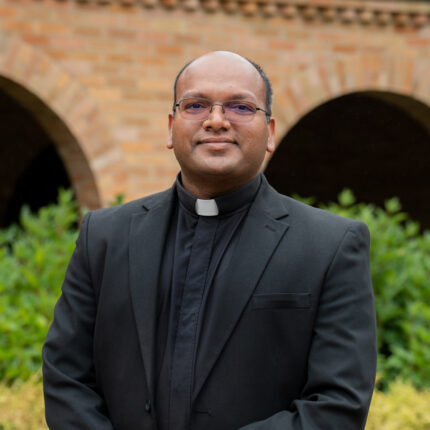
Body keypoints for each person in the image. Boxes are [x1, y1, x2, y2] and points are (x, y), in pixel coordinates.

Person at [43, 51, 377, 430]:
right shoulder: (103, 237)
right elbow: (66, 377)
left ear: (269, 132)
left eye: (240, 107)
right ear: (171, 127)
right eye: (196, 105)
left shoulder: (329, 246)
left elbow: (337, 405)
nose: (216, 121)